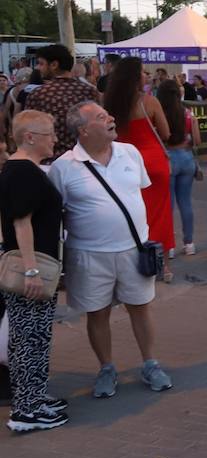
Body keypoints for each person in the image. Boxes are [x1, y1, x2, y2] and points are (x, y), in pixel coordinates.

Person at [49, 101, 172, 398]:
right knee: (97, 313)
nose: (111, 118)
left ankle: (150, 363)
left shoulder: (130, 152)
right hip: (89, 255)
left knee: (140, 307)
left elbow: (138, 194)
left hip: (134, 249)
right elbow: (56, 216)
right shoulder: (63, 167)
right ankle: (106, 368)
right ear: (83, 130)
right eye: (102, 117)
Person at [2, 111, 66, 431]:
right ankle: (26, 411)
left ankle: (35, 397)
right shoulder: (22, 172)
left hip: (39, 265)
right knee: (29, 338)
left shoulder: (25, 169)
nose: (54, 138)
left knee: (36, 336)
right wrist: (30, 270)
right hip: (33, 267)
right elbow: (21, 223)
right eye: (49, 133)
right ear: (30, 137)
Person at [103, 57, 176, 282]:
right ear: (136, 78)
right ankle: (162, 266)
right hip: (153, 162)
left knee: (131, 214)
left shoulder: (108, 102)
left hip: (123, 163)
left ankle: (132, 262)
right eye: (143, 72)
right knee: (160, 213)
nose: (146, 75)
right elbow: (165, 134)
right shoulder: (149, 102)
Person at [155, 80, 201, 256]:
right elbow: (197, 141)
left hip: (167, 159)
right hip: (187, 158)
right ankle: (189, 243)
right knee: (185, 202)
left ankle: (170, 246)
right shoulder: (189, 115)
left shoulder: (159, 114)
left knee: (168, 204)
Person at [26, 44, 92, 158]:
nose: (37, 68)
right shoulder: (89, 91)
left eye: (41, 63)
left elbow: (28, 128)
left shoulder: (38, 94)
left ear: (54, 65)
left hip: (51, 159)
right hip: (86, 158)